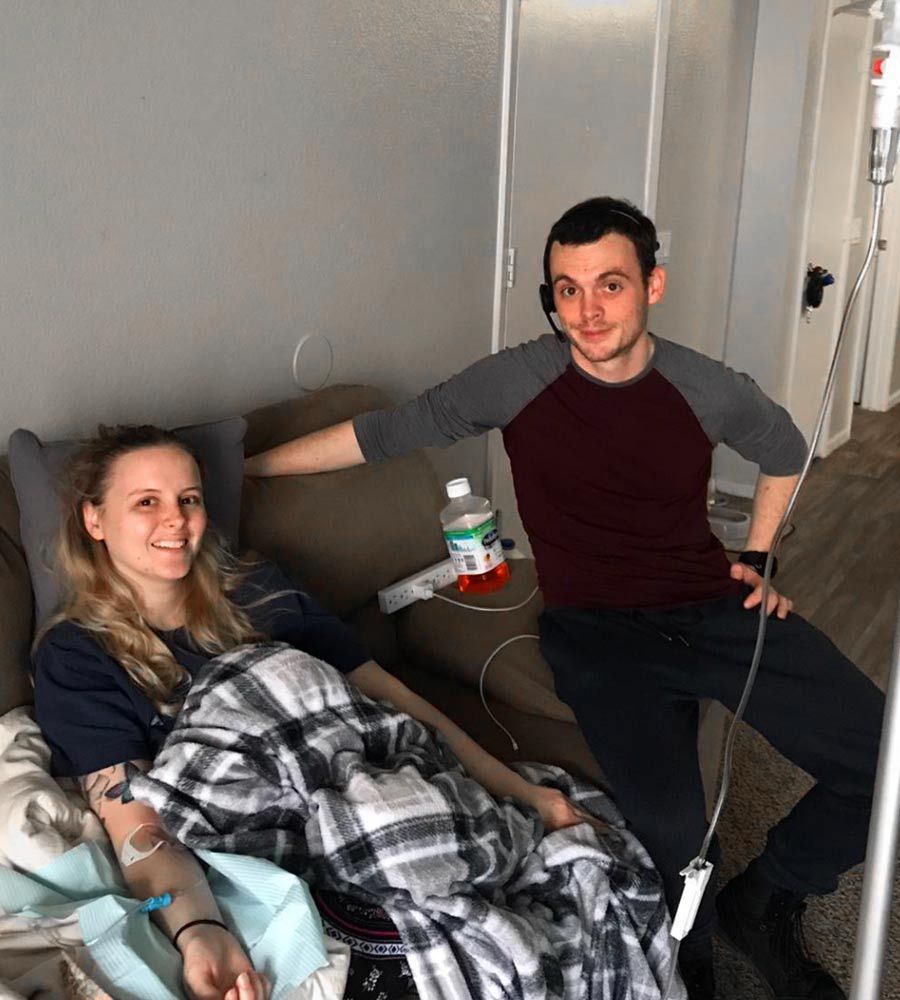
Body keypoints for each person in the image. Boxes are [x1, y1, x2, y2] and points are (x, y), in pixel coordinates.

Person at [243, 196, 885, 1000]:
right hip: (598, 633)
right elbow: (383, 433)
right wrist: (244, 471)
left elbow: (785, 448)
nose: (587, 310)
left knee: (883, 761)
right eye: (566, 289)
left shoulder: (704, 386)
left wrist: (757, 556)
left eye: (609, 285)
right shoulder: (518, 379)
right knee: (678, 839)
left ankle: (768, 897)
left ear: (654, 284)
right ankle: (693, 975)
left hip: (712, 608)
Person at [32, 425, 595, 1000]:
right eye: (146, 502)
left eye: (189, 499)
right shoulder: (77, 659)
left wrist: (522, 793)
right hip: (268, 846)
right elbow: (139, 828)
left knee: (566, 898)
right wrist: (201, 930)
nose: (175, 520)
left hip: (377, 789)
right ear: (94, 520)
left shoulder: (257, 590)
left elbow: (393, 702)